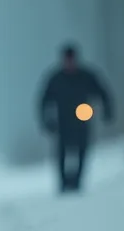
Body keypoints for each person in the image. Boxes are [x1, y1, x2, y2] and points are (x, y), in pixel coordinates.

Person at [38, 44, 113, 193]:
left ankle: (78, 181)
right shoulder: (56, 78)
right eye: (67, 60)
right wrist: (46, 121)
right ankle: (63, 183)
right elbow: (43, 101)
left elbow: (103, 92)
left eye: (72, 59)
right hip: (63, 123)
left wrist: (107, 111)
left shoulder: (86, 76)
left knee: (83, 150)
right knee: (62, 153)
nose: (70, 63)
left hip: (82, 120)